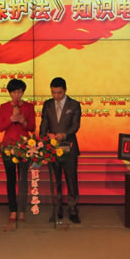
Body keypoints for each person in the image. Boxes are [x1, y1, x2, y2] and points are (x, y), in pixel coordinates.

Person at [39, 77, 81, 224]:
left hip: (68, 146)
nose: (56, 96)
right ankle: (58, 208)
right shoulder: (48, 104)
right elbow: (43, 124)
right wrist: (45, 136)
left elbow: (75, 126)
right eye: (53, 92)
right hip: (53, 147)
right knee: (55, 179)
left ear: (65, 90)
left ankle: (73, 208)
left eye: (59, 93)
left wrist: (64, 134)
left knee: (71, 178)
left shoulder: (74, 105)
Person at [0, 78, 36, 223]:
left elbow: (32, 127)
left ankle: (22, 210)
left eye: (19, 92)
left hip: (24, 146)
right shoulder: (4, 107)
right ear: (9, 93)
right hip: (8, 147)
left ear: (23, 92)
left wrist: (23, 121)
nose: (16, 95)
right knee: (11, 179)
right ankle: (13, 210)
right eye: (14, 92)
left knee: (23, 179)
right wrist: (11, 119)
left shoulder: (29, 107)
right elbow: (0, 127)